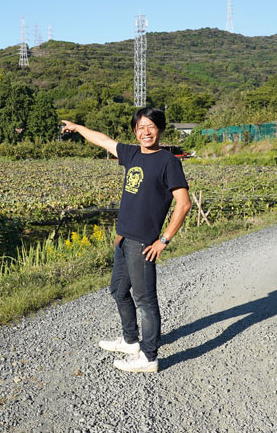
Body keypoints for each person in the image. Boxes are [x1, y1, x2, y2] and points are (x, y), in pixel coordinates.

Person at [61, 107, 191, 372]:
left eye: (151, 126)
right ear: (135, 131)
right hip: (124, 238)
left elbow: (184, 203)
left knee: (145, 301)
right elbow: (103, 140)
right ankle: (131, 341)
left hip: (143, 242)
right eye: (141, 127)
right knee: (118, 291)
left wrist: (164, 240)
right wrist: (78, 127)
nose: (146, 132)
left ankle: (149, 357)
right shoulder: (132, 154)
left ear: (160, 129)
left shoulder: (168, 162)